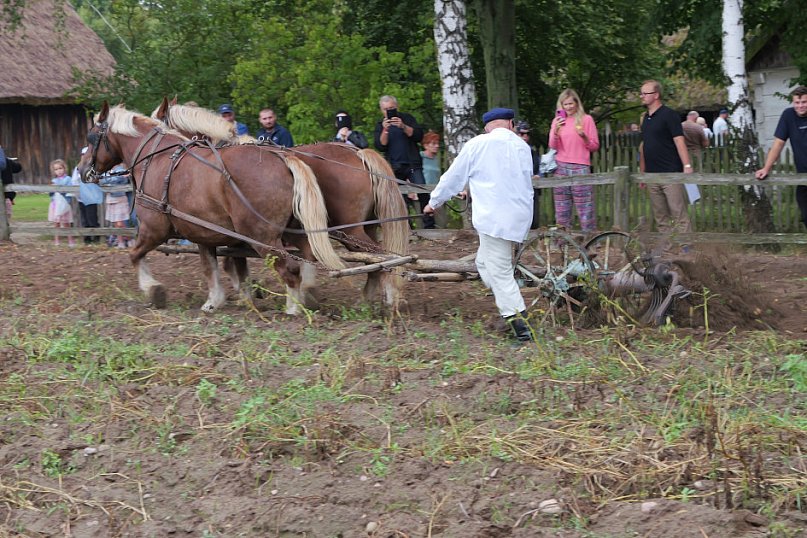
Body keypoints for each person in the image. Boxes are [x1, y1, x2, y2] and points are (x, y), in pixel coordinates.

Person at [423, 108, 534, 342]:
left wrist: (434, 203)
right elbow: (504, 179)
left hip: (494, 218)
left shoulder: (478, 144)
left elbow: (453, 177)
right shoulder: (522, 147)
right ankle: (506, 300)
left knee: (500, 272)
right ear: (511, 124)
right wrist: (471, 189)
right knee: (483, 262)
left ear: (487, 127)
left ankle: (522, 330)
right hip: (518, 216)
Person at [638, 80, 694, 237]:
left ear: (656, 95)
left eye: (645, 93)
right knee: (660, 216)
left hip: (670, 172)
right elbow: (643, 146)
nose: (641, 96)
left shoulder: (669, 115)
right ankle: (666, 249)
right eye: (641, 93)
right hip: (651, 174)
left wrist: (687, 165)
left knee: (678, 213)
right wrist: (643, 172)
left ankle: (686, 248)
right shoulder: (645, 119)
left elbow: (679, 140)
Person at [373, 95, 434, 229]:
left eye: (392, 108)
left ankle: (429, 226)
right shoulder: (380, 125)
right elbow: (380, 145)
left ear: (397, 107)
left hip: (412, 164)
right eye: (386, 109)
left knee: (423, 192)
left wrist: (403, 126)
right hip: (393, 166)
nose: (389, 111)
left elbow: (419, 136)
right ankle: (407, 228)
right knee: (398, 198)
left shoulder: (407, 118)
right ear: (381, 110)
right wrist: (385, 129)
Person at [548, 89, 600, 234]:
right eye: (565, 104)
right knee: (562, 209)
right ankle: (562, 243)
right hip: (561, 167)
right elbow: (552, 145)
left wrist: (584, 137)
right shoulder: (557, 121)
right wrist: (556, 132)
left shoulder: (586, 119)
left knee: (585, 208)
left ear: (577, 103)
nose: (568, 107)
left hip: (581, 167)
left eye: (571, 103)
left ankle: (589, 242)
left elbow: (594, 146)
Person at [755, 85, 807, 229]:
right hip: (802, 177)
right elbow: (778, 143)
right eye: (797, 102)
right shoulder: (788, 116)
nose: (800, 106)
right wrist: (766, 168)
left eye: (804, 102)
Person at [72, 147, 104, 244]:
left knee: (92, 218)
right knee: (84, 218)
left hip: (91, 198)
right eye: (83, 155)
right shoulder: (78, 168)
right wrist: (77, 193)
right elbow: (74, 181)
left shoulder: (94, 168)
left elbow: (98, 180)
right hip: (81, 198)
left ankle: (96, 237)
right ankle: (87, 239)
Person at [515, 120, 542, 229]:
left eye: (528, 134)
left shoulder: (532, 150)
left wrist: (538, 175)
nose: (525, 136)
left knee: (533, 221)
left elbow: (539, 167)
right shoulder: (510, 150)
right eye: (521, 134)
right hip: (516, 190)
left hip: (531, 189)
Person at [100, 164, 131, 249]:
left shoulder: (120, 169)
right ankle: (123, 241)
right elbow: (102, 180)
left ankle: (127, 239)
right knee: (115, 223)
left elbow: (122, 178)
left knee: (120, 223)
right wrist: (115, 178)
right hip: (110, 199)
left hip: (119, 198)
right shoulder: (107, 170)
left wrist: (110, 179)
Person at [48, 159, 76, 247]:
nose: (58, 171)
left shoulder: (68, 179)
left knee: (66, 223)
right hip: (55, 204)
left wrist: (59, 188)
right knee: (56, 223)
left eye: (60, 168)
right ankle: (57, 241)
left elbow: (69, 190)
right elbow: (50, 193)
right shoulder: (54, 180)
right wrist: (52, 189)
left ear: (64, 168)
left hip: (64, 205)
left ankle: (70, 241)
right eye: (56, 169)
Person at [1, 145, 21, 221]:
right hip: (8, 195)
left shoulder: (6, 161)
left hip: (7, 195)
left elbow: (18, 168)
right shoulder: (7, 161)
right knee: (6, 216)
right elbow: (18, 168)